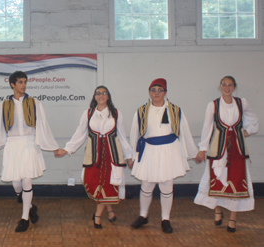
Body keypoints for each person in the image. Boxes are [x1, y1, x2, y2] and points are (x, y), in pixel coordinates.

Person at [0, 71, 59, 232]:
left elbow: (43, 126)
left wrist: (54, 146)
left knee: (26, 181)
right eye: (19, 82)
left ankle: (24, 218)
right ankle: (30, 206)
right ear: (12, 84)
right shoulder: (3, 106)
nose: (23, 85)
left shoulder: (35, 103)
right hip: (12, 145)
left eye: (25, 81)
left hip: (28, 144)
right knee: (15, 182)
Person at [55, 86, 133, 228]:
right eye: (98, 93)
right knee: (95, 184)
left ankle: (97, 216)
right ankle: (110, 211)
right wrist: (66, 149)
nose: (101, 96)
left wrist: (129, 156)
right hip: (94, 157)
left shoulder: (116, 113)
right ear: (94, 96)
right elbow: (80, 134)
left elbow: (121, 136)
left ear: (108, 96)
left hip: (112, 156)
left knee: (109, 185)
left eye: (104, 93)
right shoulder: (88, 114)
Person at [129, 78, 197, 233]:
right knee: (147, 184)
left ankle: (165, 219)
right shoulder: (141, 111)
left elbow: (184, 131)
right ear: (149, 92)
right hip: (149, 151)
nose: (156, 93)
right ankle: (143, 215)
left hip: (169, 150)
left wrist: (194, 153)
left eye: (160, 90)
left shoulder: (175, 110)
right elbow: (135, 134)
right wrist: (132, 156)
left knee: (166, 185)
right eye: (153, 90)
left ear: (165, 92)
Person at [193, 76, 258, 233]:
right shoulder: (213, 105)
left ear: (234, 87)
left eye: (230, 85)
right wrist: (202, 148)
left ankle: (232, 218)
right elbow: (207, 128)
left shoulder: (241, 103)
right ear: (220, 86)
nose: (227, 87)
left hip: (237, 149)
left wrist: (246, 131)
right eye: (224, 85)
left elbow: (254, 120)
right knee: (217, 180)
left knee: (236, 180)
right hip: (218, 149)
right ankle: (217, 210)